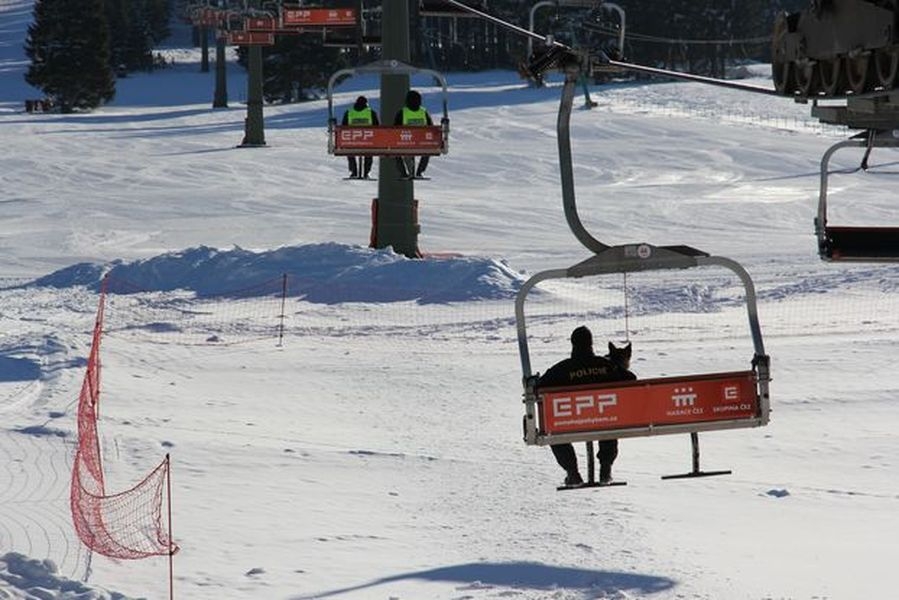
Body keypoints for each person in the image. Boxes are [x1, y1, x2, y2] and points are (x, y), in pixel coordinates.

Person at [537, 326, 636, 486]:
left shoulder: (562, 369)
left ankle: (572, 472)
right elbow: (631, 379)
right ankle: (605, 469)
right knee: (609, 421)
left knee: (553, 430)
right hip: (603, 420)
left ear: (573, 344)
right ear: (591, 343)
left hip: (569, 422)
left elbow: (540, 386)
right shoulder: (605, 365)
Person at [393, 89, 433, 179]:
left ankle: (403, 172)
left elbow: (394, 130)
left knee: (395, 152)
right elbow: (431, 128)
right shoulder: (423, 112)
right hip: (422, 144)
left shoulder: (402, 113)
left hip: (405, 143)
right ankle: (419, 172)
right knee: (428, 150)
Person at [342, 95, 379, 179]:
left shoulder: (349, 112)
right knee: (369, 152)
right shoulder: (371, 113)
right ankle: (366, 172)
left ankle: (353, 172)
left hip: (352, 142)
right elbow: (377, 128)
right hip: (368, 142)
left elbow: (343, 127)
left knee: (350, 151)